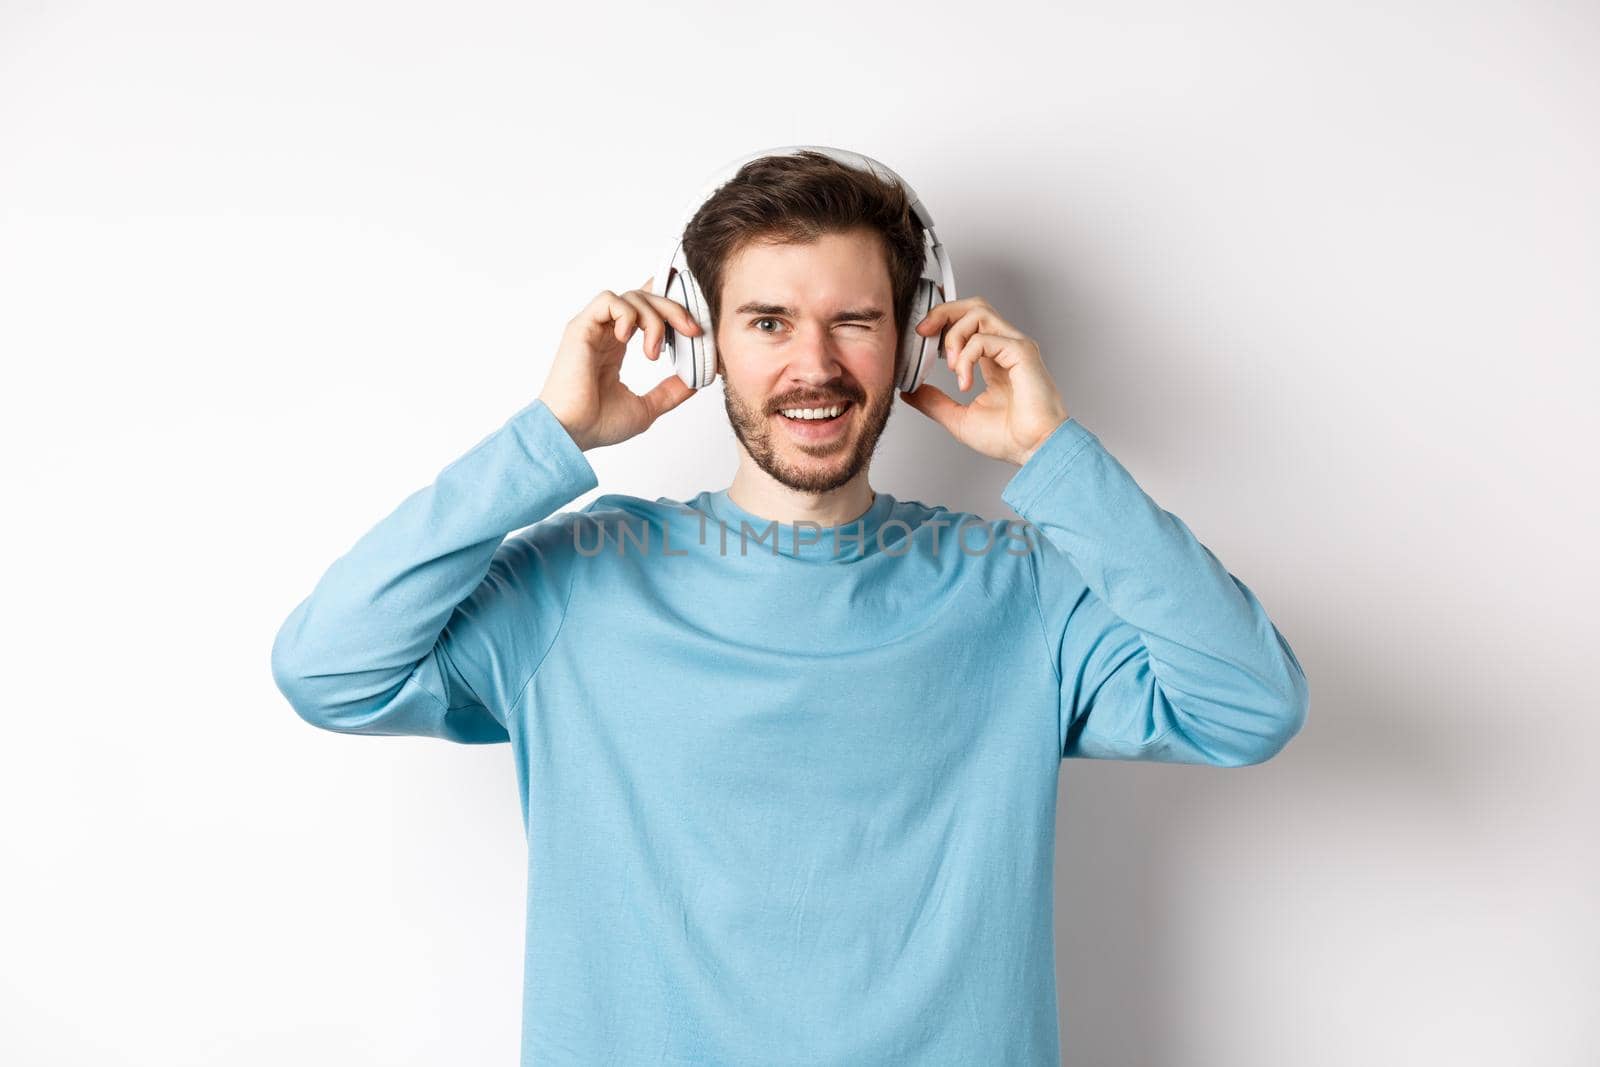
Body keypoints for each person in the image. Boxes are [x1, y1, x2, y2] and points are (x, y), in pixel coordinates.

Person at [270, 150, 1309, 1065]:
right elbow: (329, 668)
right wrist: (551, 437)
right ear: (706, 339)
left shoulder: (1018, 588)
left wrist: (1054, 457)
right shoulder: (578, 578)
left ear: (908, 342)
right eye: (768, 321)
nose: (812, 365)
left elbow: (1247, 705)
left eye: (853, 321)